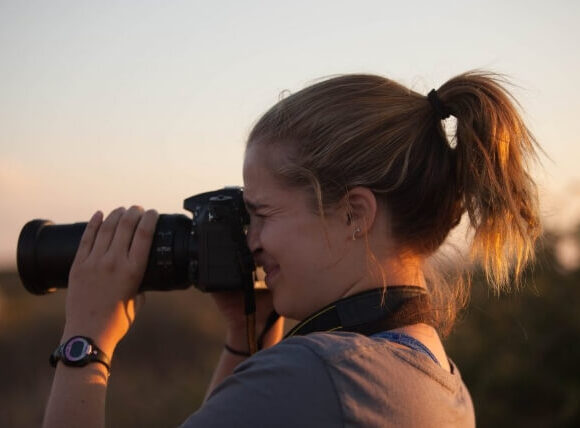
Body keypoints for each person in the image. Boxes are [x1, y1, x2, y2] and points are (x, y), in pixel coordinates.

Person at [42, 71, 541, 427]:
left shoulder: (316, 375)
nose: (251, 241)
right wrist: (246, 337)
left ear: (354, 214)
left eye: (261, 213)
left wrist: (85, 342)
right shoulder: (439, 377)